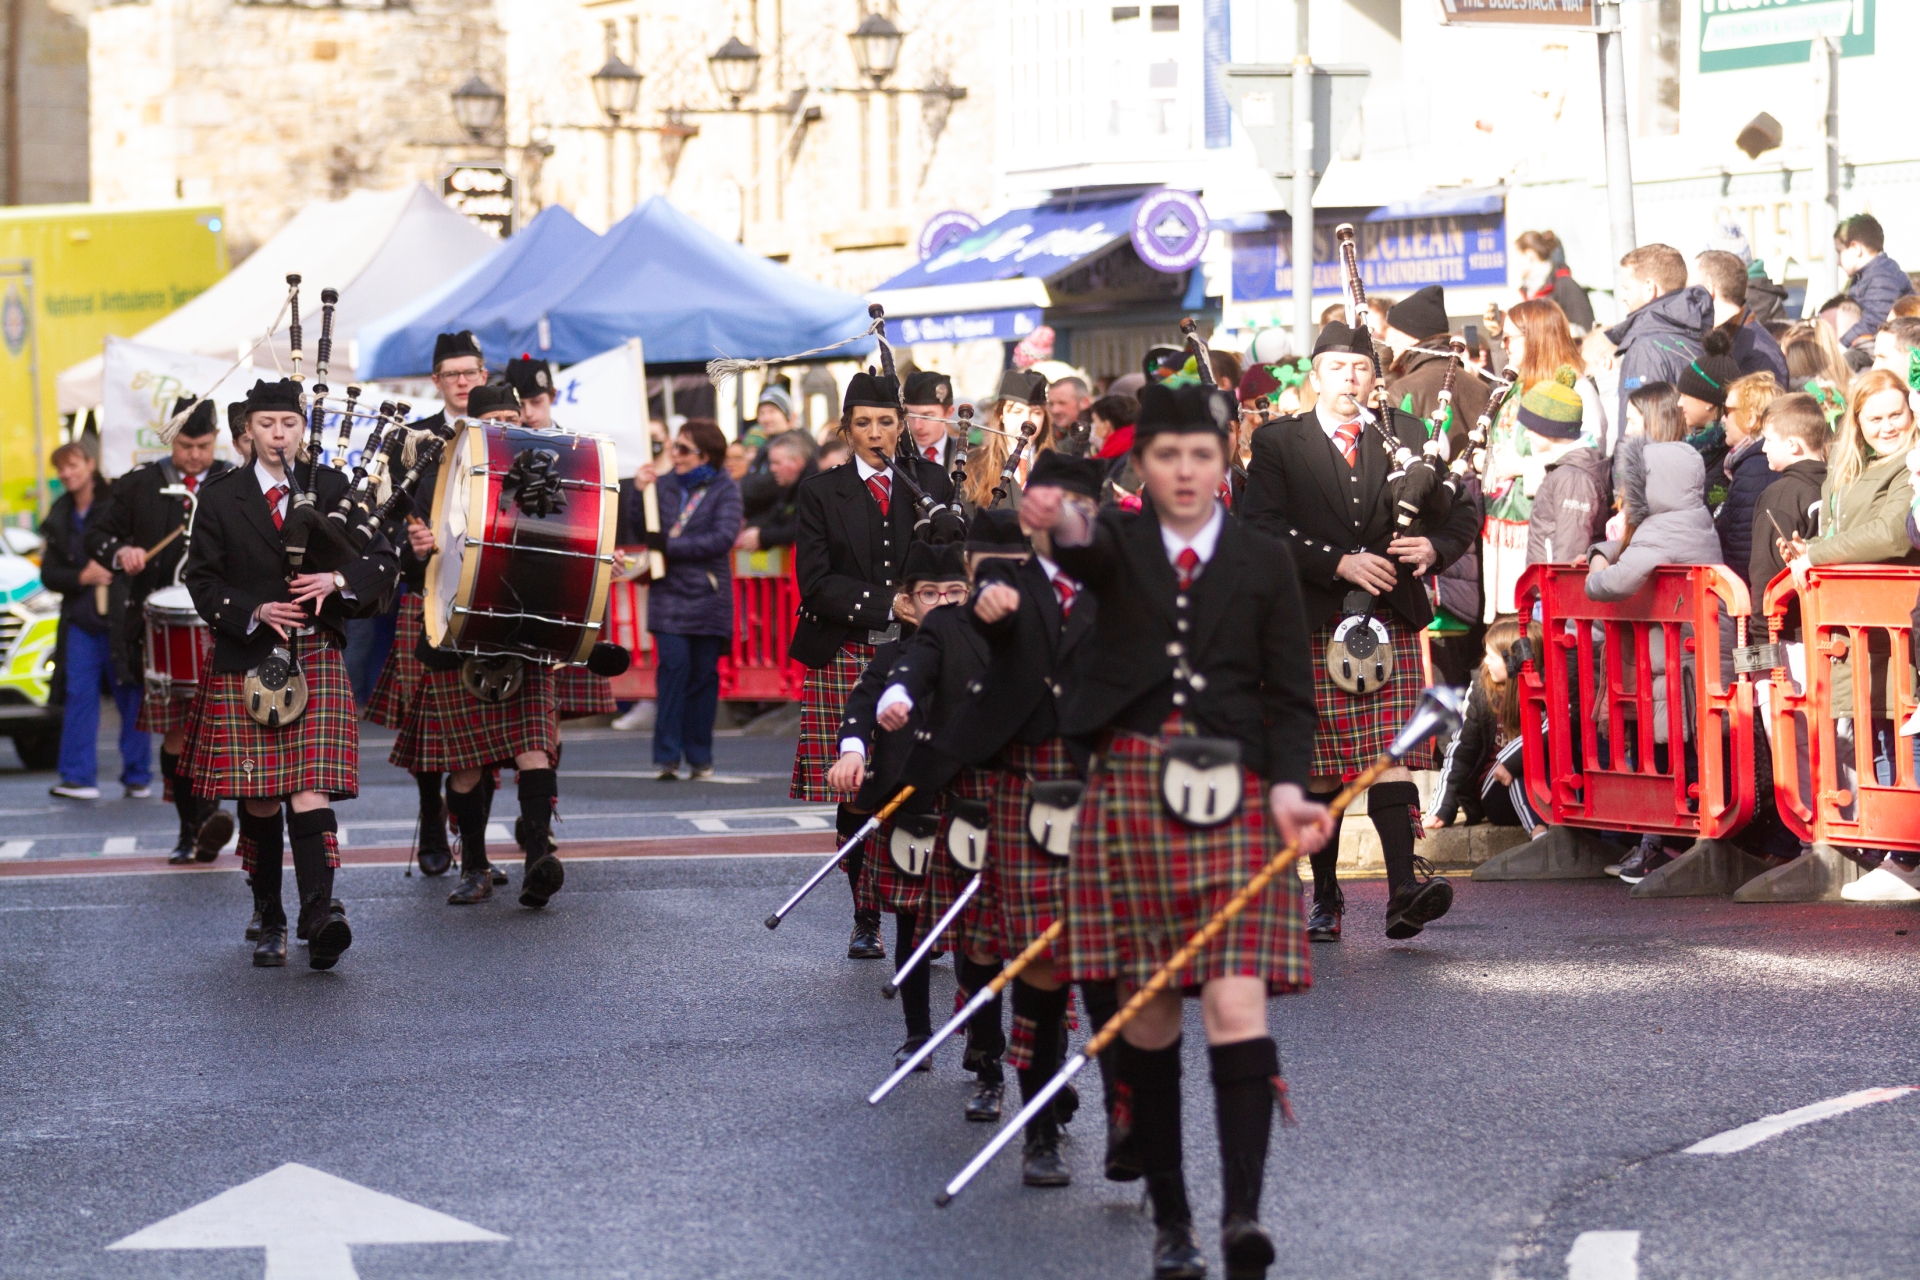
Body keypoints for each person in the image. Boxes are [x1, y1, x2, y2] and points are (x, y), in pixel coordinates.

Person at [1020, 380, 1327, 1280]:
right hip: (1129, 790)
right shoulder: (1114, 540)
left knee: (1235, 1002)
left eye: (1201, 455)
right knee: (1149, 1012)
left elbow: (1291, 700)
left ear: (1224, 458)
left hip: (1234, 797)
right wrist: (1055, 522)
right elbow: (1080, 552)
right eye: (1167, 457)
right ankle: (1174, 1220)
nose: (1186, 472)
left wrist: (1289, 791)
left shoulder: (1265, 559)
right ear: (1142, 466)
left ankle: (1240, 1218)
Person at [1239, 321, 1479, 942]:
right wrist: (1335, 560)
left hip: (1389, 616)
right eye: (1338, 367)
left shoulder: (1407, 434)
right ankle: (1325, 895)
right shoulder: (1278, 444)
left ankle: (1403, 889)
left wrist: (1436, 545)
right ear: (1315, 377)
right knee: (1320, 764)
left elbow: (1464, 507)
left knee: (1389, 754)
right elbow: (1258, 526)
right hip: (1311, 617)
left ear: (1377, 377)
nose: (1351, 378)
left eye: (1362, 368)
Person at [181, 378, 399, 968]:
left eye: (289, 425)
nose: (279, 435)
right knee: (257, 798)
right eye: (267, 425)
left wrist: (339, 580)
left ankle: (319, 913)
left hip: (316, 653)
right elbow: (201, 579)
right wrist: (252, 610)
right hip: (248, 656)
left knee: (308, 787)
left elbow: (384, 560)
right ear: (248, 431)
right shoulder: (223, 497)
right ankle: (270, 916)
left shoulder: (332, 489)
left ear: (302, 429)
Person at [935, 453, 1109, 1186]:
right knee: (1042, 960)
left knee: (1119, 965)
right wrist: (989, 611)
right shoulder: (1007, 586)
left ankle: (1133, 1115)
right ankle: (1039, 1124)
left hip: (1116, 784)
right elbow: (989, 616)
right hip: (1032, 784)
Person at [789, 367, 955, 959]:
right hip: (847, 648)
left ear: (902, 425)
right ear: (847, 428)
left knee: (920, 781)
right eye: (864, 423)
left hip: (918, 648)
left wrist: (931, 599)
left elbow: (953, 559)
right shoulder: (819, 492)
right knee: (856, 788)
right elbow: (815, 583)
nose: (876, 433)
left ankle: (921, 906)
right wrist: (892, 602)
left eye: (887, 421)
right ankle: (866, 914)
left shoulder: (931, 482)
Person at [391, 380, 569, 910]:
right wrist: (416, 551)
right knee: (466, 763)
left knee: (535, 747)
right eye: (493, 422)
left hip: (521, 629)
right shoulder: (436, 478)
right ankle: (473, 866)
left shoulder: (541, 472)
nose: (504, 431)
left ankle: (539, 858)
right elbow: (409, 571)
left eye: (511, 420)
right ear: (472, 426)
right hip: (457, 632)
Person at [825, 542, 963, 1079]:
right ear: (908, 603)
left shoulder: (990, 654)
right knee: (909, 920)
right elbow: (860, 709)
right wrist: (853, 752)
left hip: (972, 802)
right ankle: (918, 1034)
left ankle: (984, 1038)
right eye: (931, 593)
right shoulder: (890, 658)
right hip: (910, 802)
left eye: (955, 591)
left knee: (981, 926)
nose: (944, 602)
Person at [1781, 368, 1920, 900]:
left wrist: (1818, 553)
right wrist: (1807, 548)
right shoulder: (1849, 468)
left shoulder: (1908, 466)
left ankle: (1904, 856)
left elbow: (1890, 534)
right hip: (1854, 629)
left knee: (1896, 733)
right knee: (1875, 735)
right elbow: (1845, 532)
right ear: (1857, 422)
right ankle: (1893, 850)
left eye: (1896, 416)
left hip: (1892, 624)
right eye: (1875, 417)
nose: (1887, 426)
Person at [87, 397, 235, 858]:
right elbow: (96, 535)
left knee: (219, 729)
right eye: (187, 445)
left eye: (204, 446)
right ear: (173, 440)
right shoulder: (141, 485)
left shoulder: (234, 481)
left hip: (224, 621)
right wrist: (120, 553)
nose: (195, 455)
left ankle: (207, 817)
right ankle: (192, 826)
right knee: (178, 733)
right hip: (159, 629)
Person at [362, 330, 486, 876]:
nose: (463, 382)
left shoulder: (502, 432)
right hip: (429, 591)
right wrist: (407, 541)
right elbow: (389, 511)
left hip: (488, 595)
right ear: (436, 381)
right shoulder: (412, 441)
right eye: (452, 374)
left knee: (483, 723)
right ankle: (431, 817)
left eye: (471, 372)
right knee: (430, 719)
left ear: (483, 375)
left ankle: (476, 835)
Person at [630, 418, 742, 781]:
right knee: (672, 671)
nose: (673, 455)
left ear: (704, 455)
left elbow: (722, 537)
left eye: (682, 449)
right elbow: (640, 528)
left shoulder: (726, 489)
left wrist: (670, 546)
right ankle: (666, 755)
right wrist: (637, 492)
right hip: (668, 594)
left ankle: (699, 755)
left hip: (708, 596)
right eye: (672, 447)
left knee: (703, 677)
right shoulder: (662, 486)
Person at [41, 442, 150, 802]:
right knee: (78, 695)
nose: (66, 474)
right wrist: (81, 577)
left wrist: (115, 565)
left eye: (72, 465)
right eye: (61, 469)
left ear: (91, 464)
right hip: (81, 620)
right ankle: (77, 777)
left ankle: (137, 776)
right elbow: (49, 573)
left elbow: (141, 555)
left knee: (131, 692)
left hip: (122, 616)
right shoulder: (59, 513)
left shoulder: (119, 501)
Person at [1424, 618, 1546, 837]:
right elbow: (1462, 751)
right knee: (1517, 775)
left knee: (1525, 768)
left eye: (1492, 655)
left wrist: (1515, 760)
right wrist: (1443, 807)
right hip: (1496, 791)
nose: (1485, 661)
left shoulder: (1544, 689)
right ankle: (1539, 834)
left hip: (1541, 789)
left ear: (1514, 660)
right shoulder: (1482, 689)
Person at [1607, 244, 1712, 430]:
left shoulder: (1646, 349)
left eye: (1627, 287)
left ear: (1649, 288)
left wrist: (1624, 458)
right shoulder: (1702, 329)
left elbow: (1639, 432)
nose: (1623, 297)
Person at [1381, 285, 1488, 456]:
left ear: (1412, 334)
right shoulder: (1482, 388)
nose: (1389, 341)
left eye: (1394, 332)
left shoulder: (1401, 391)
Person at [1520, 369, 1610, 565]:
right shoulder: (1567, 470)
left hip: (1555, 588)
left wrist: (1553, 592)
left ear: (1550, 428)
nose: (1526, 435)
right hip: (1546, 585)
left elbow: (1570, 554)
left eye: (1531, 427)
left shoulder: (1573, 478)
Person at [1715, 372, 1783, 587]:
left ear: (1752, 418)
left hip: (1753, 597)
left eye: (1728, 410)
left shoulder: (1756, 467)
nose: (1723, 418)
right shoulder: (1758, 461)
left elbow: (1744, 549)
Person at [1692, 249, 1789, 382]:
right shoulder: (1723, 336)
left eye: (1691, 288)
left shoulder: (1760, 353)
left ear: (1708, 290)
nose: (1687, 296)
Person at [961, 370, 1049, 511]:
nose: (1027, 420)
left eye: (1036, 412)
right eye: (1017, 411)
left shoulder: (1060, 466)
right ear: (1001, 415)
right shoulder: (974, 466)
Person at [1675, 328, 1746, 498]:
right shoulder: (1699, 445)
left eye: (1685, 396)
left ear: (1708, 401)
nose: (1679, 403)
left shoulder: (1728, 455)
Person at [1836, 214, 1914, 350]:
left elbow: (1875, 321)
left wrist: (1842, 345)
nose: (1837, 261)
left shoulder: (1882, 275)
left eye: (1839, 251)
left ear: (1855, 248)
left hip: (1902, 346)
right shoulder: (1866, 276)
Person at [735, 429, 815, 553]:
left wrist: (762, 537)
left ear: (796, 462)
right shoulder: (789, 483)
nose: (772, 469)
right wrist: (755, 529)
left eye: (777, 463)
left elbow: (804, 527)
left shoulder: (814, 486)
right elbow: (779, 514)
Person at [1514, 229, 1595, 334]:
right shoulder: (1526, 292)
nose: (1516, 264)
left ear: (1530, 255)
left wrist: (1549, 331)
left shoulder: (1565, 285)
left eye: (1518, 257)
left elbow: (1587, 331)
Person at [902, 370, 959, 468]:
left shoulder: (970, 457)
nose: (917, 426)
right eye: (911, 415)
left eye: (927, 416)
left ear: (949, 412)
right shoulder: (895, 455)